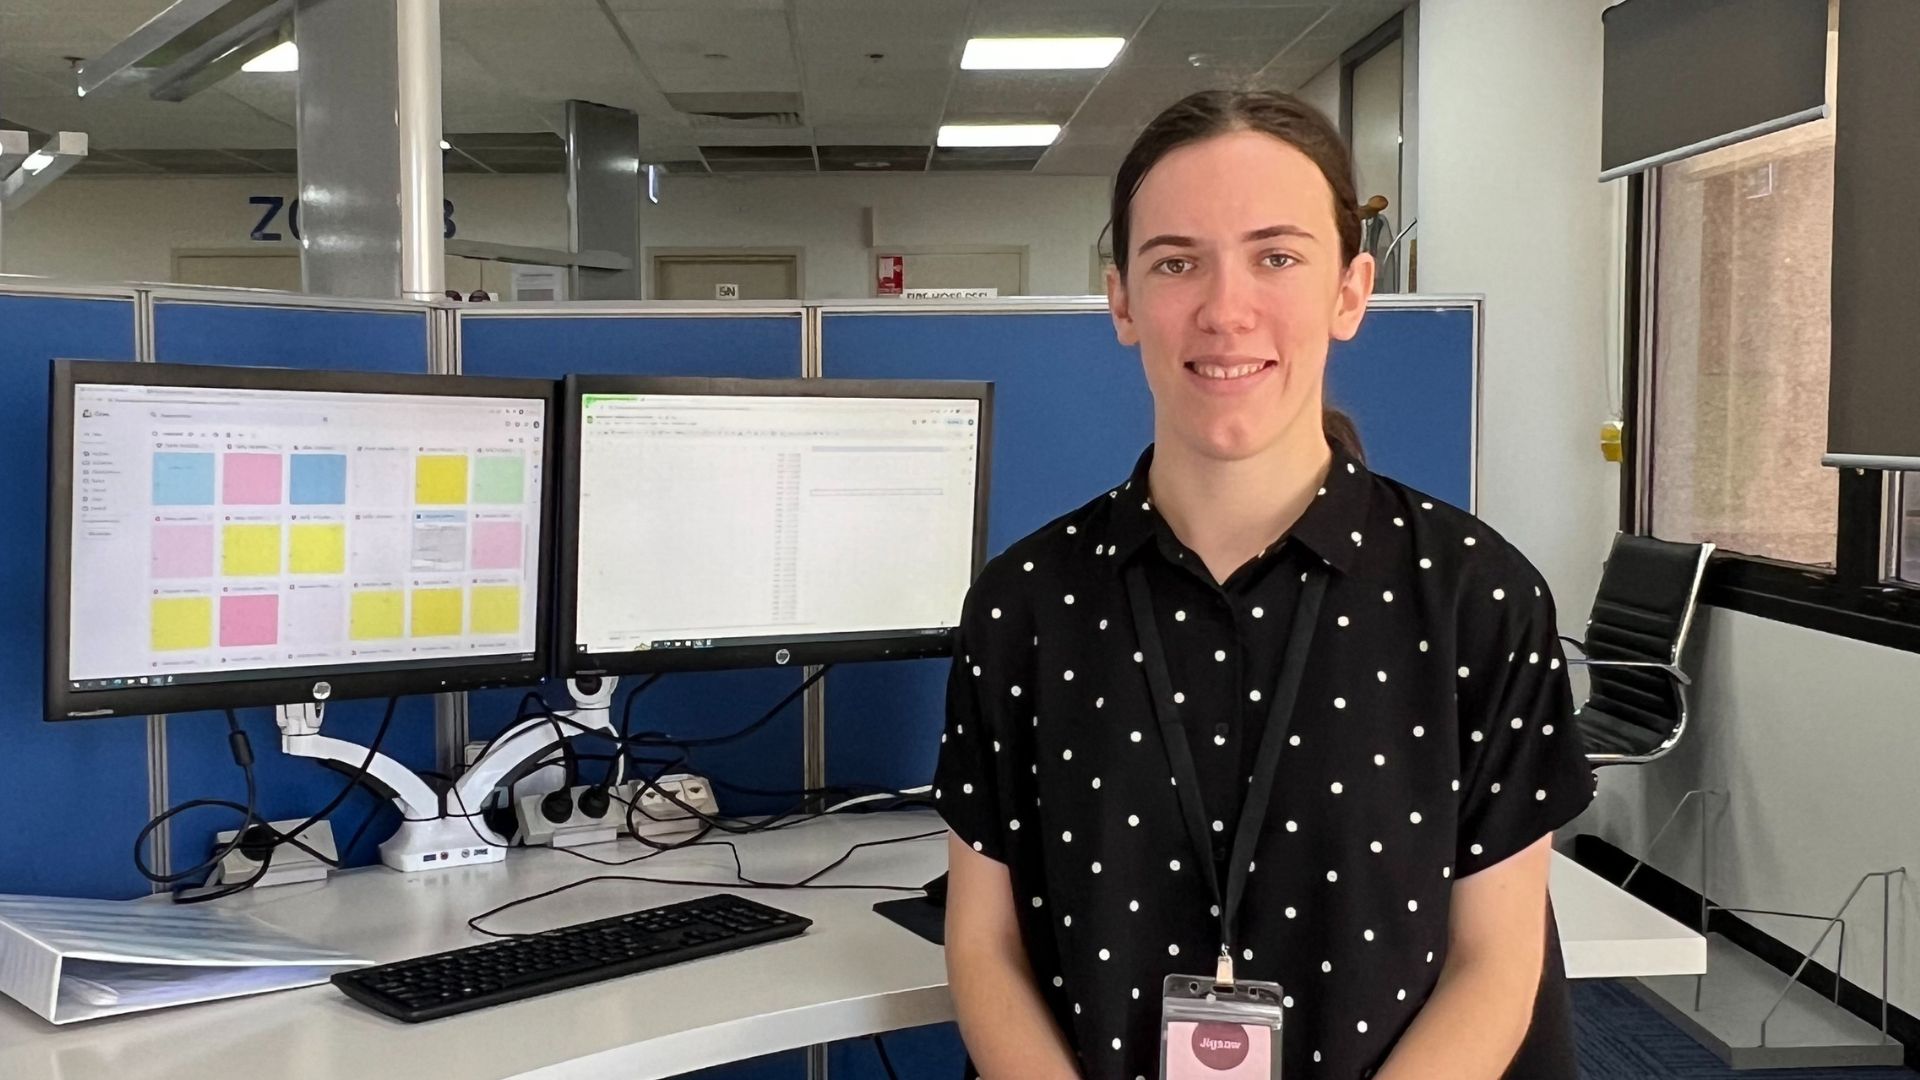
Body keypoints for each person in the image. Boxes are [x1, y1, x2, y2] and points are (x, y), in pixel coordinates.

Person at [933, 89, 1596, 1079]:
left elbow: (1496, 962)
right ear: (1121, 299)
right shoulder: (1025, 601)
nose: (1224, 308)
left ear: (1350, 291)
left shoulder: (1475, 597)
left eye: (1277, 256)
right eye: (1176, 261)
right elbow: (983, 945)